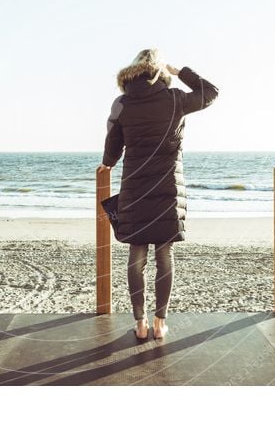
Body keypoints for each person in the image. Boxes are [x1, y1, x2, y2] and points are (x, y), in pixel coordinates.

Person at [99, 48, 220, 340]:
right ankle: (159, 322)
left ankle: (139, 324)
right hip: (167, 187)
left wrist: (107, 164)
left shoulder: (122, 103)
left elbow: (112, 141)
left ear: (133, 70)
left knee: (136, 253)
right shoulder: (175, 99)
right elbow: (210, 92)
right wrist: (181, 72)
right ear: (159, 70)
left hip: (135, 187)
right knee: (164, 254)